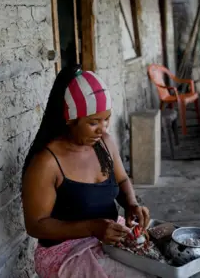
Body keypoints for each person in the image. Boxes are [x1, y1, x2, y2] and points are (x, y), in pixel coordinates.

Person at [22, 65, 152, 277]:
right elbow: (36, 225)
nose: (103, 129)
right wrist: (92, 228)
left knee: (161, 258)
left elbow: (121, 180)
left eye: (106, 119)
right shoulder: (46, 163)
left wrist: (131, 204)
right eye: (93, 122)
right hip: (63, 250)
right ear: (70, 120)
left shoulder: (105, 144)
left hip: (106, 236)